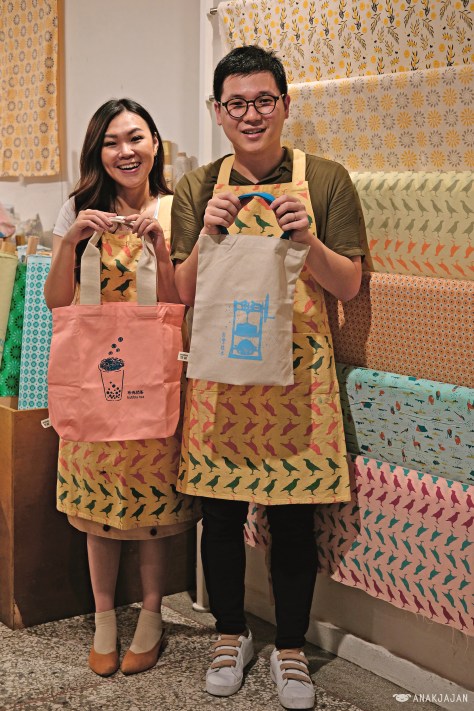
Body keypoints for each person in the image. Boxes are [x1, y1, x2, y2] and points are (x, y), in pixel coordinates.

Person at [171, 46, 365, 709]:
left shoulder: (327, 179)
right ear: (217, 111)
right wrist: (207, 236)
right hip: (222, 378)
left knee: (293, 519)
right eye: (236, 103)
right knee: (219, 515)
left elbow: (348, 283)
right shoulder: (198, 188)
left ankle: (290, 647)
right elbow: (182, 291)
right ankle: (229, 633)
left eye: (262, 101)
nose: (250, 115)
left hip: (297, 381)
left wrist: (308, 241)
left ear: (284, 104)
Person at [44, 98, 197, 678]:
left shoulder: (177, 209)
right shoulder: (76, 209)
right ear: (98, 152)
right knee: (96, 507)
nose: (125, 151)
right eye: (111, 142)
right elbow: (57, 302)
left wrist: (159, 246)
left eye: (135, 138)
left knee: (153, 506)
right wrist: (71, 241)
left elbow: (180, 303)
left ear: (155, 143)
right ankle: (105, 619)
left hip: (154, 379)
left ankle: (151, 617)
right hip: (93, 380)